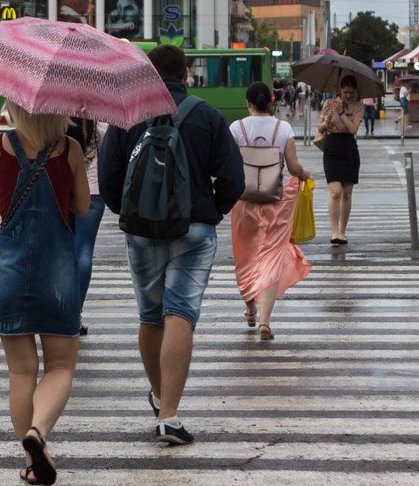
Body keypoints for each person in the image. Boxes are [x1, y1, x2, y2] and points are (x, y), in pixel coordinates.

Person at [100, 45, 245, 446]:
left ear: (148, 72)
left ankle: (162, 396)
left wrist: (128, 214)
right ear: (186, 72)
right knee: (179, 313)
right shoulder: (208, 116)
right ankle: (169, 415)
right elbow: (234, 179)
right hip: (194, 230)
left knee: (150, 316)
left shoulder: (127, 116)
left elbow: (109, 176)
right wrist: (210, 211)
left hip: (141, 232)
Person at [0, 103, 88, 485]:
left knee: (20, 370)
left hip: (8, 268)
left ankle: (30, 458)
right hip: (57, 269)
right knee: (61, 367)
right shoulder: (70, 149)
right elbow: (82, 205)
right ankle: (38, 433)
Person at [229, 82, 312, 341]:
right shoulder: (283, 128)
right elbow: (293, 166)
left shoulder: (236, 128)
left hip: (244, 203)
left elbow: (228, 165)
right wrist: (304, 174)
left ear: (248, 103)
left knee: (246, 257)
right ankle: (265, 321)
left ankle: (250, 307)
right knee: (271, 257)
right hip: (275, 202)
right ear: (272, 102)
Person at [69, 118, 106, 337]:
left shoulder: (58, 116)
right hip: (92, 190)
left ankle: (60, 310)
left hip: (63, 190)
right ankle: (75, 314)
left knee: (63, 251)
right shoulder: (97, 119)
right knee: (83, 251)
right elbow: (108, 153)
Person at [318, 75, 362, 246]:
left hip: (349, 147)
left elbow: (353, 129)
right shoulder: (329, 103)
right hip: (332, 146)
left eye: (351, 93)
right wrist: (328, 119)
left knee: (347, 192)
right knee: (336, 191)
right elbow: (320, 127)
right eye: (345, 92)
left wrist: (342, 113)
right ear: (340, 90)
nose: (348, 96)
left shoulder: (358, 106)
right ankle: (333, 230)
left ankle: (342, 231)